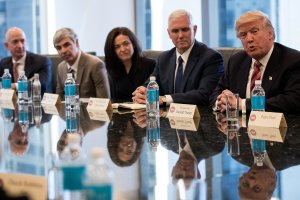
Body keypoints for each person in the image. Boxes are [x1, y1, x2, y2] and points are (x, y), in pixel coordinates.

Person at [210, 10, 300, 113]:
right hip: (240, 126)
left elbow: (293, 100)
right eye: (243, 35)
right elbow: (216, 91)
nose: (249, 39)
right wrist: (221, 102)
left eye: (254, 31)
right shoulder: (236, 61)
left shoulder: (292, 60)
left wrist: (243, 105)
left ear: (270, 34)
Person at [132, 9, 223, 106]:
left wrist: (165, 99)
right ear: (169, 33)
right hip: (167, 118)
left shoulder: (211, 57)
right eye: (175, 31)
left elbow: (204, 95)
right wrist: (142, 92)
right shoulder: (163, 58)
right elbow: (152, 83)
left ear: (194, 30)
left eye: (185, 29)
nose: (180, 35)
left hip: (199, 118)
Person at [53, 27, 110, 99]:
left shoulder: (95, 64)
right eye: (59, 48)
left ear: (76, 43)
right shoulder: (60, 68)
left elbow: (104, 101)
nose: (63, 51)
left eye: (66, 45)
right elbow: (59, 100)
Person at [104, 27, 155, 99]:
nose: (122, 49)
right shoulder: (110, 69)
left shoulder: (151, 65)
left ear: (133, 44)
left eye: (126, 44)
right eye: (117, 47)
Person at [0, 27, 52, 95]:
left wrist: (15, 86)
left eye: (22, 41)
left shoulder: (42, 61)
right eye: (15, 42)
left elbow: (40, 85)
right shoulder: (3, 63)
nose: (20, 45)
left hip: (36, 103)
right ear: (7, 45)